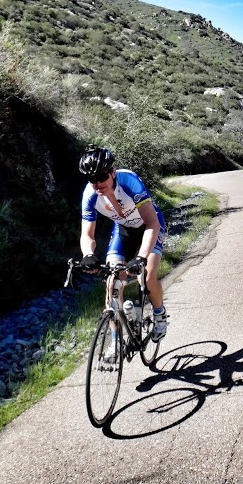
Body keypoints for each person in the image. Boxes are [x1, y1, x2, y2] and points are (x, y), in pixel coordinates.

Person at [78, 144, 168, 343]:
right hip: (124, 229)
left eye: (102, 177)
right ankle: (116, 341)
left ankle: (160, 314)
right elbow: (87, 234)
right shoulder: (90, 195)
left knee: (147, 277)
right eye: (92, 179)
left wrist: (141, 257)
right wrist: (88, 255)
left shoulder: (129, 181)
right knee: (112, 283)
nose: (98, 184)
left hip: (149, 225)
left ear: (113, 171)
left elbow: (152, 223)